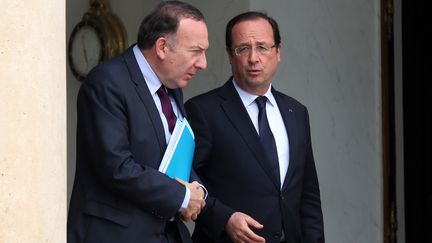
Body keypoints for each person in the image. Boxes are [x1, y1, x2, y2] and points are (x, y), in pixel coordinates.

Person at [67, 1, 209, 243]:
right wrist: (182, 196)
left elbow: (171, 154)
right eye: (196, 51)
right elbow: (116, 166)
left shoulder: (172, 87)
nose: (203, 63)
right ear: (162, 47)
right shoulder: (106, 83)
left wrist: (197, 190)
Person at [185, 11, 324, 243]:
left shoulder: (296, 112)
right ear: (230, 55)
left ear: (278, 52)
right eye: (242, 49)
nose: (253, 58)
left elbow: (308, 195)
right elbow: (186, 179)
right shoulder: (203, 111)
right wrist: (224, 218)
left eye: (262, 47)